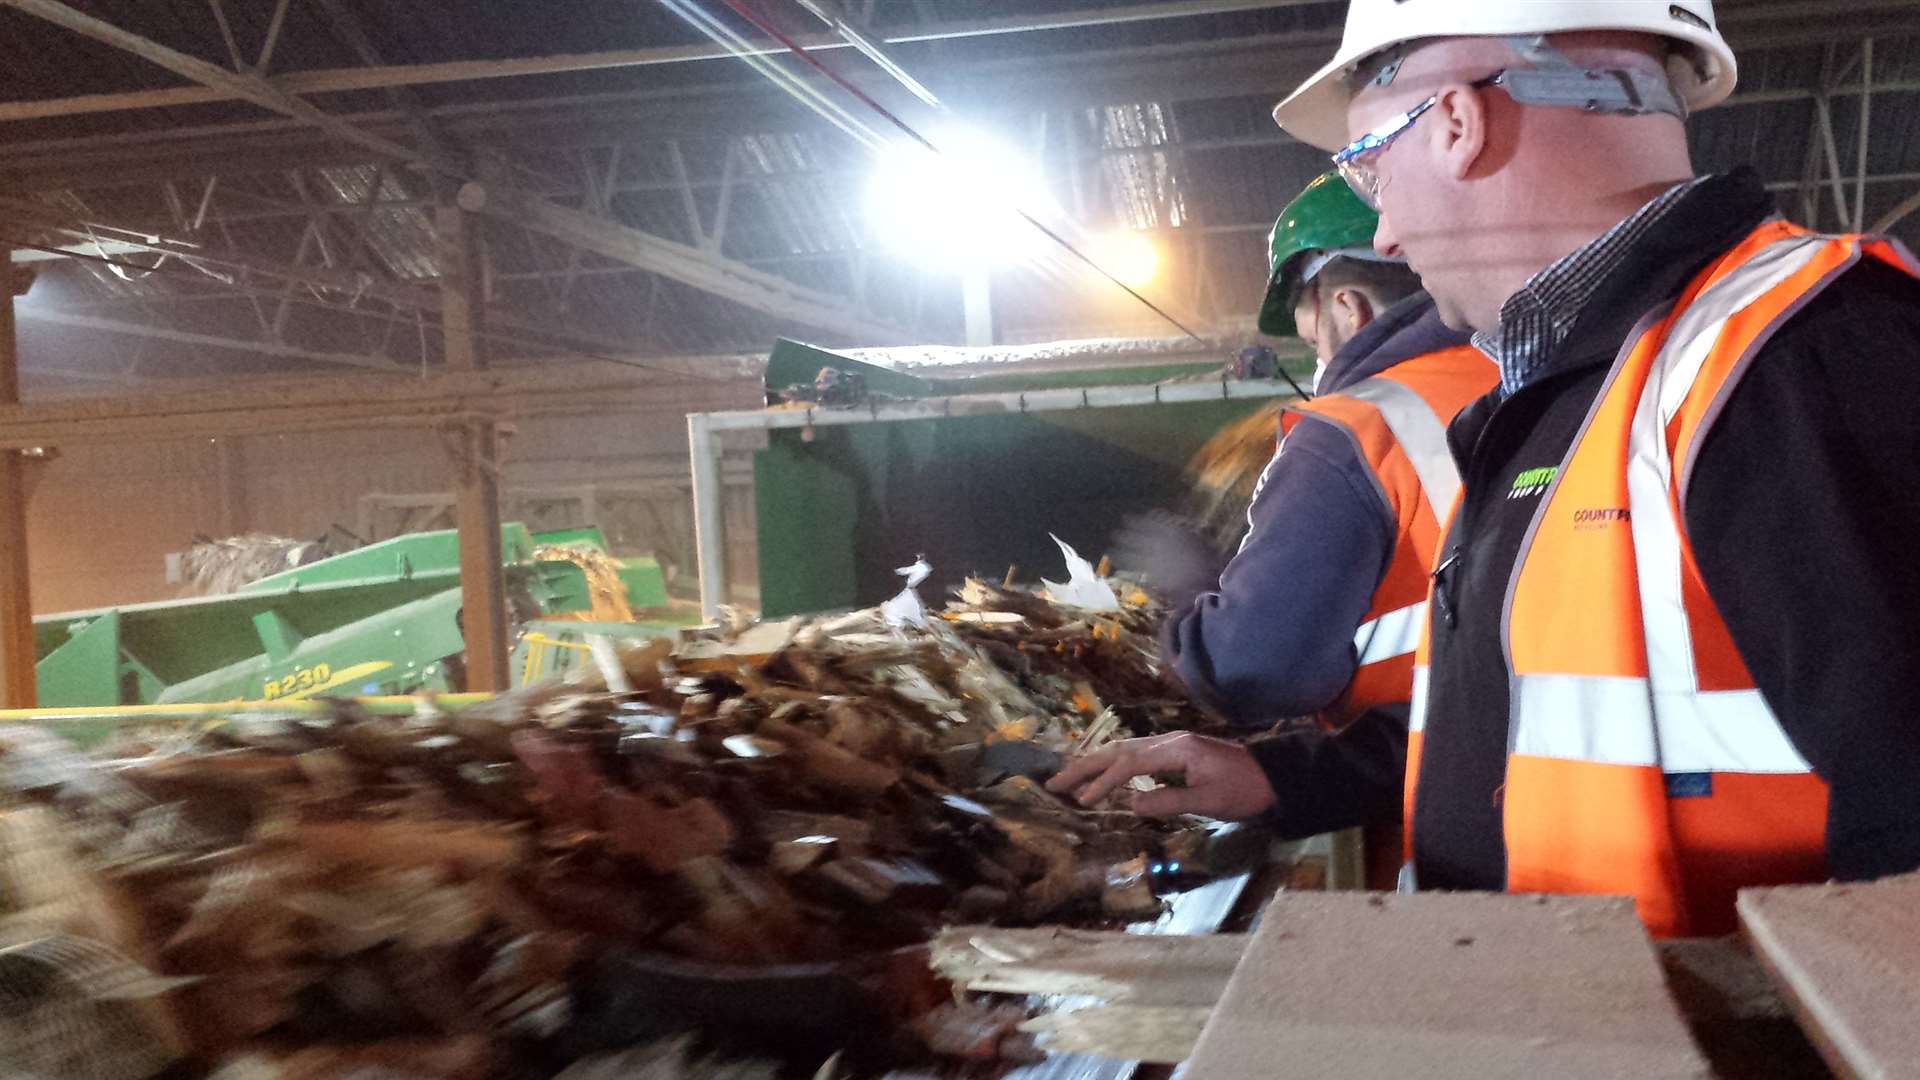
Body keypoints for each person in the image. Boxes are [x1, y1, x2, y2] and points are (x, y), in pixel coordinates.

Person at [1073, 0, 1920, 938]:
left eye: (1370, 168)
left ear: (1454, 123)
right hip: (1576, 1010)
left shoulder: (1804, 360)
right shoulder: (1564, 397)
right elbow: (1533, 723)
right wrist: (1283, 777)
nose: (1385, 235)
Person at [1073, 174, 1494, 885]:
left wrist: (1193, 589)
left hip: (1465, 831)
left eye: (1308, 338)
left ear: (1346, 306)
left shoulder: (1355, 429)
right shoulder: (1554, 382)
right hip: (1574, 795)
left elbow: (1253, 670)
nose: (1316, 362)